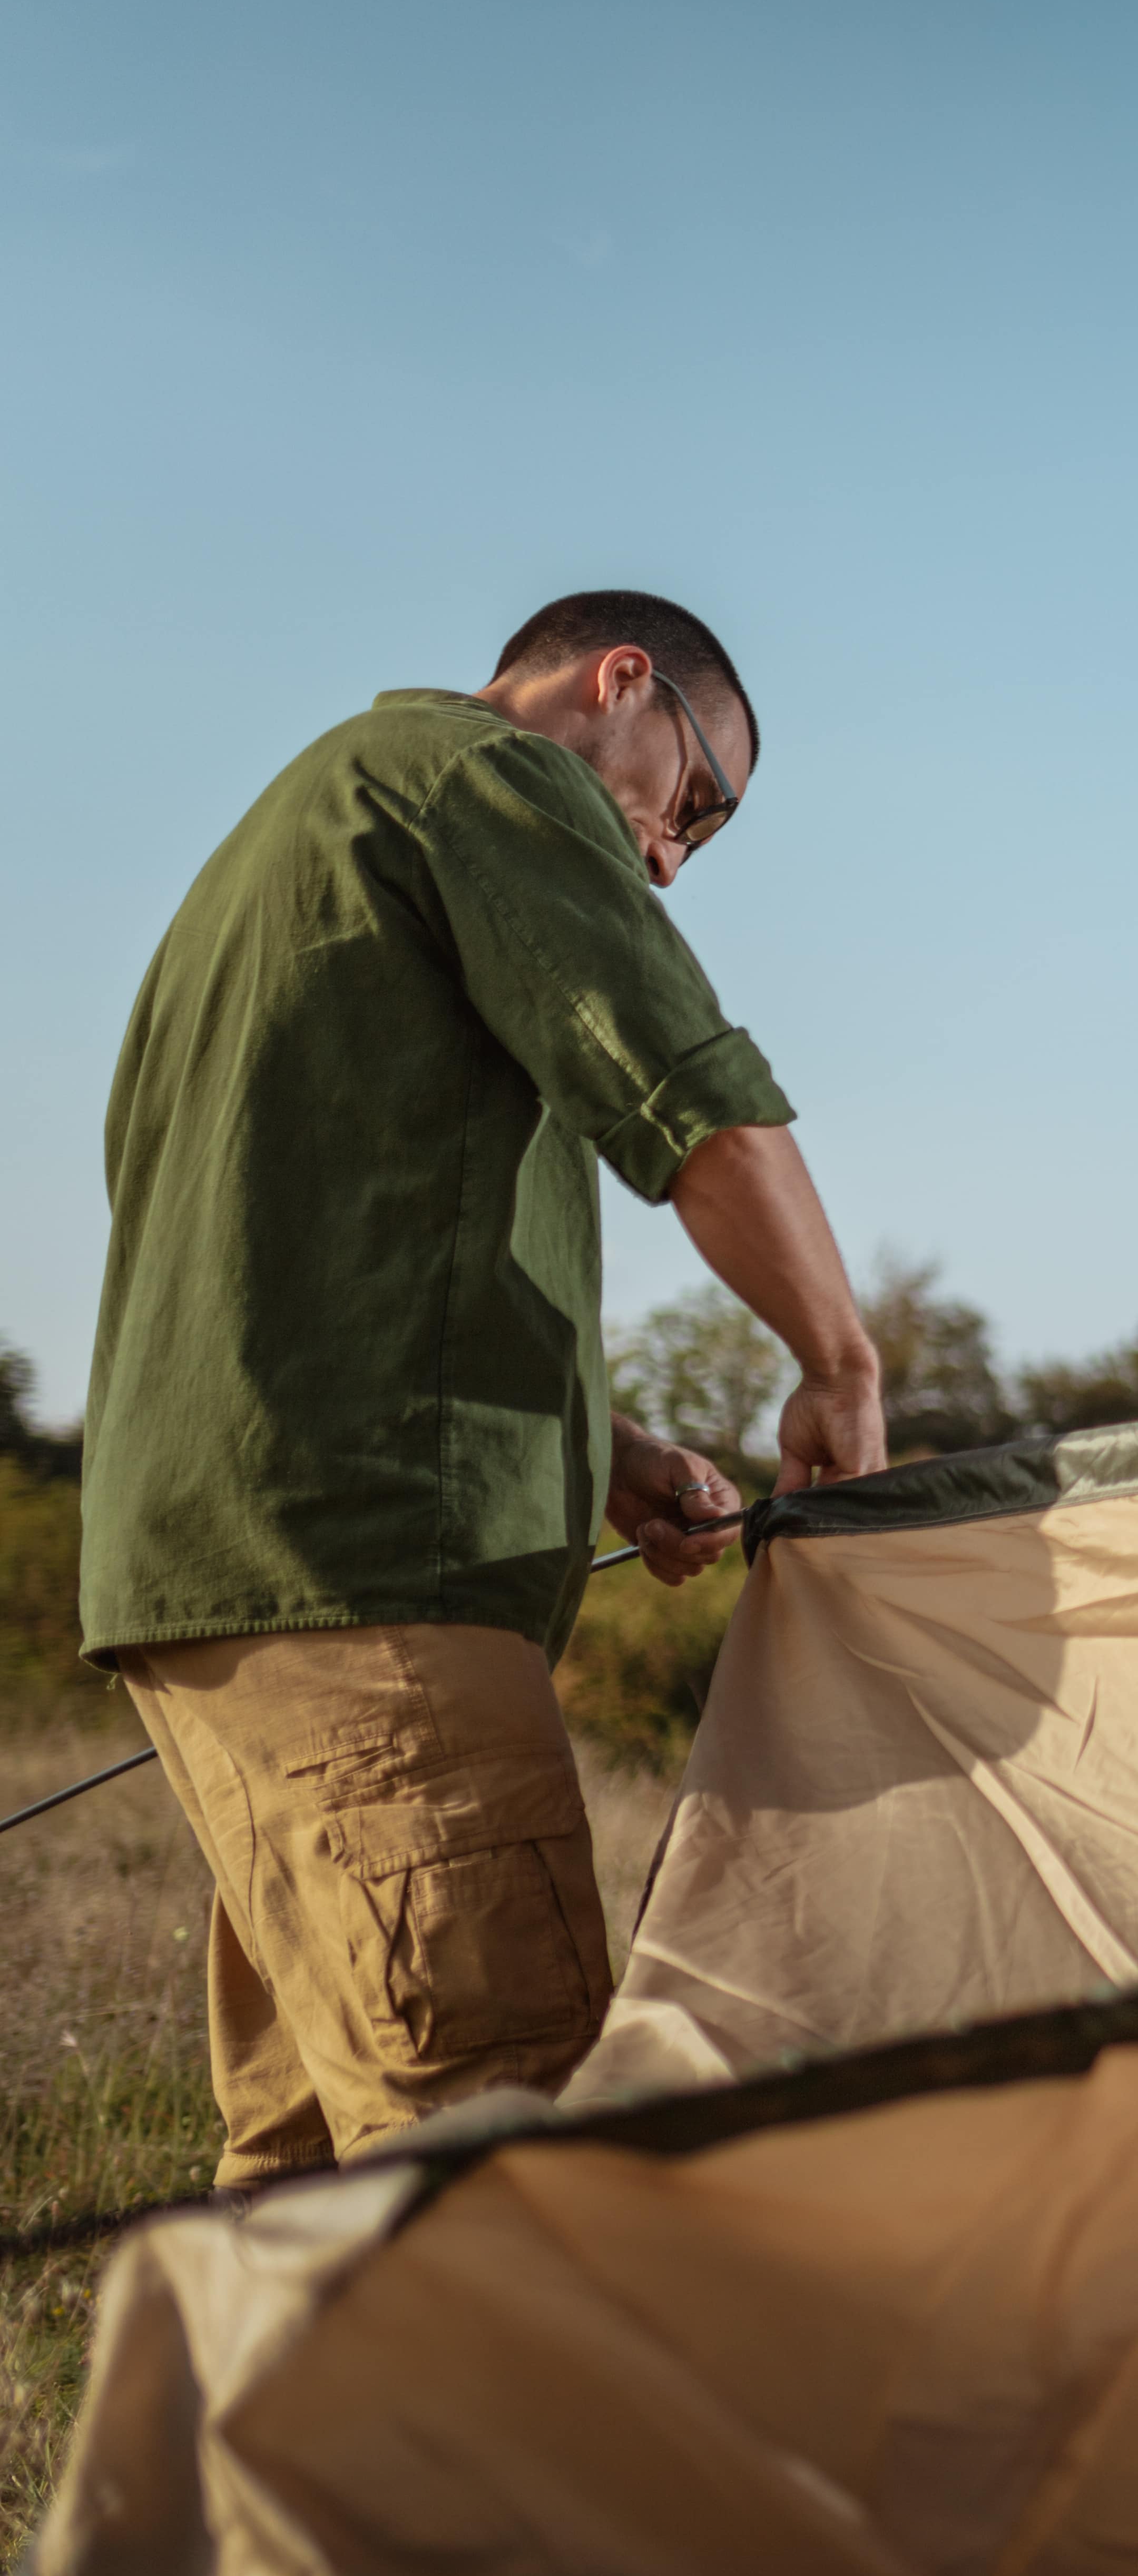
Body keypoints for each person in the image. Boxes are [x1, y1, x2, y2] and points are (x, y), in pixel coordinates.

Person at [82, 593, 887, 2186]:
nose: (667, 860)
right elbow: (690, 1095)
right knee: (505, 2168)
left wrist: (604, 1451)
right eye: (695, 803)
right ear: (622, 683)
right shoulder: (486, 779)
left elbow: (317, 1242)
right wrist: (842, 1367)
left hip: (225, 1594)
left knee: (313, 2186)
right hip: (371, 1600)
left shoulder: (299, 826)